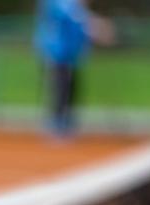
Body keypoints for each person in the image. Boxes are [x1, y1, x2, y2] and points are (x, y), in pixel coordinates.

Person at [34, 0, 114, 137]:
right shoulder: (61, 4)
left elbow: (80, 24)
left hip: (71, 55)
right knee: (60, 88)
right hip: (57, 53)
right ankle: (56, 124)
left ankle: (67, 122)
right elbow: (73, 17)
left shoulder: (74, 7)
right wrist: (96, 26)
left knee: (71, 89)